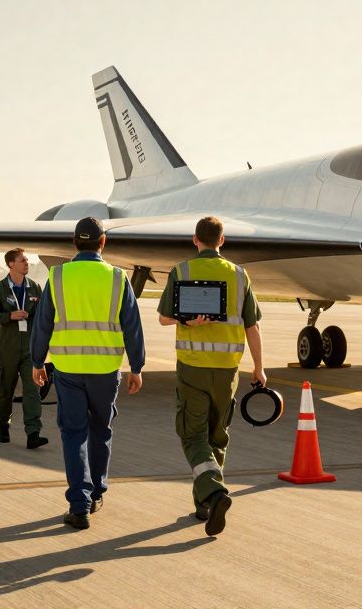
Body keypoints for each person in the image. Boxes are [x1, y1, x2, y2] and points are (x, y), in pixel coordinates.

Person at [31, 217, 145, 530]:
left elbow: (42, 324)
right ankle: (96, 493)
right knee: (101, 430)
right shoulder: (117, 278)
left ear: (74, 242)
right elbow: (133, 326)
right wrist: (137, 367)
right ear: (103, 242)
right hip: (106, 370)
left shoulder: (57, 276)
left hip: (68, 369)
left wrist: (37, 361)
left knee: (73, 433)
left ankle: (78, 504)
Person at [158, 216, 264, 536]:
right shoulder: (240, 275)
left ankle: (215, 493)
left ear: (195, 240)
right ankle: (203, 503)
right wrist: (259, 367)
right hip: (227, 369)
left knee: (193, 435)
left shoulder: (182, 271)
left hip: (193, 366)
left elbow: (164, 318)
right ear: (222, 240)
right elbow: (253, 326)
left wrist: (187, 321)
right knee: (217, 435)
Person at [0, 247, 49, 449]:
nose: (26, 263)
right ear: (11, 264)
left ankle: (33, 433)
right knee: (5, 391)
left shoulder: (35, 288)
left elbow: (43, 316)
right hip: (8, 347)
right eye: (22, 260)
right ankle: (3, 424)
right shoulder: (0, 289)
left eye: (27, 260)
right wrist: (9, 316)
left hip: (30, 348)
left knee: (33, 391)